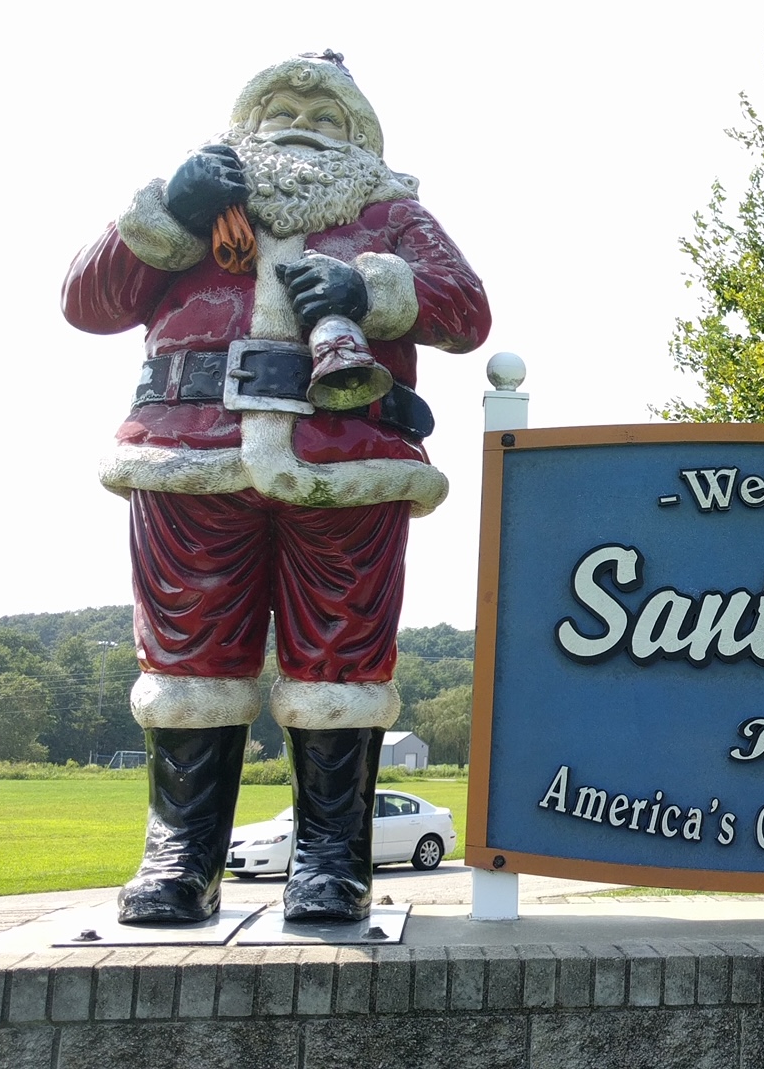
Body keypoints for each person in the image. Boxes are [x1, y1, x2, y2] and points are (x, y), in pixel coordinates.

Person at [61, 51, 490, 924]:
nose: (302, 120)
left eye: (327, 113)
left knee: (341, 657)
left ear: (361, 138)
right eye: (281, 106)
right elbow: (87, 301)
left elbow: (468, 310)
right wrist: (159, 216)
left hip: (344, 459)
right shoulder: (191, 207)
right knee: (187, 657)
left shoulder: (392, 214)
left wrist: (366, 289)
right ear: (242, 122)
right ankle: (182, 856)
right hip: (191, 452)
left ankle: (332, 858)